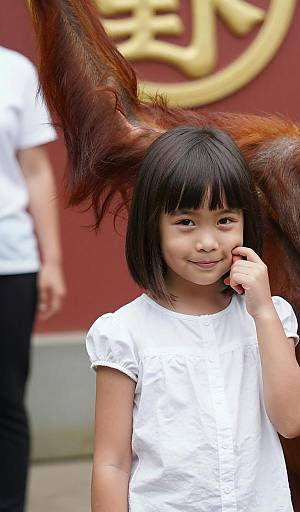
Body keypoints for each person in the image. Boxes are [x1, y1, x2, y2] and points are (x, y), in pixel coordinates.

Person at [86, 126, 300, 511]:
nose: (208, 242)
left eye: (224, 221)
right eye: (186, 222)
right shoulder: (125, 334)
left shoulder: (269, 318)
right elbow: (112, 463)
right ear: (152, 227)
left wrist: (262, 313)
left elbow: (292, 421)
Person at [0, 46, 66, 511]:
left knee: (4, 400)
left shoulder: (15, 70)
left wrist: (53, 260)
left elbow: (37, 170)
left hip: (10, 260)